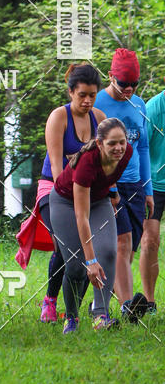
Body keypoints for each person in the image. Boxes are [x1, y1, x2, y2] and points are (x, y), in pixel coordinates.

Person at [50, 117, 132, 333]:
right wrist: (91, 260)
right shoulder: (87, 162)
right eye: (112, 143)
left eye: (122, 142)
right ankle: (71, 318)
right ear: (99, 143)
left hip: (99, 200)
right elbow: (81, 216)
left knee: (109, 252)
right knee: (77, 265)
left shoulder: (127, 153)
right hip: (65, 202)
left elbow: (109, 178)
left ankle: (100, 316)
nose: (119, 148)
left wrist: (113, 196)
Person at [37, 63, 105, 322]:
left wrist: (110, 191)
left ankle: (73, 308)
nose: (87, 101)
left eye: (92, 95)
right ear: (70, 93)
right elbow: (56, 168)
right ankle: (50, 301)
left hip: (87, 190)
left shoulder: (99, 118)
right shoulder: (58, 117)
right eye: (82, 95)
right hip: (54, 189)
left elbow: (104, 161)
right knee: (66, 246)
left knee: (91, 248)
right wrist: (72, 201)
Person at [96, 49, 153, 321]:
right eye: (123, 83)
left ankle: (106, 302)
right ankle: (128, 305)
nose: (128, 89)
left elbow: (142, 148)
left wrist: (148, 189)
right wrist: (105, 187)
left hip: (136, 186)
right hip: (110, 184)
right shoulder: (97, 104)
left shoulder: (139, 104)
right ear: (110, 76)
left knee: (127, 251)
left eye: (134, 84)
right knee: (121, 243)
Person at [139, 82, 165, 314]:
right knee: (150, 241)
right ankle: (149, 302)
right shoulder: (154, 108)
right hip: (155, 182)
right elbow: (142, 148)